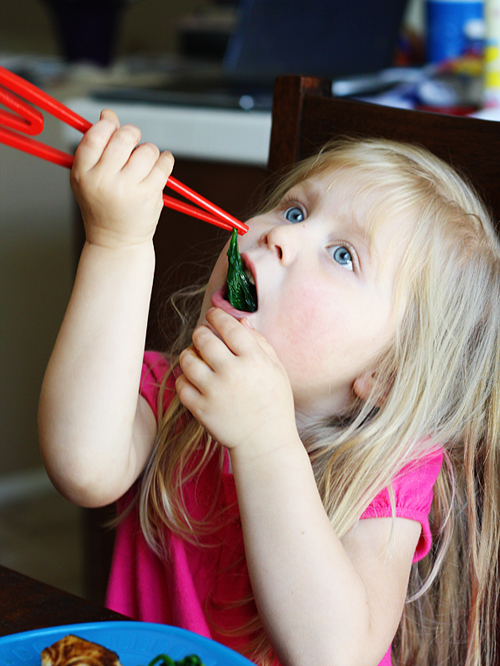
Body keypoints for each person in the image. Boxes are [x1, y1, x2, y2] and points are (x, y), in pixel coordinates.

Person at [38, 109, 500, 666]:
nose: (281, 234)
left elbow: (334, 656)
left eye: (343, 254)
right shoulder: (179, 389)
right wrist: (118, 245)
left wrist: (265, 443)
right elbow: (82, 469)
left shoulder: (390, 473)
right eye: (295, 208)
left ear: (387, 375)